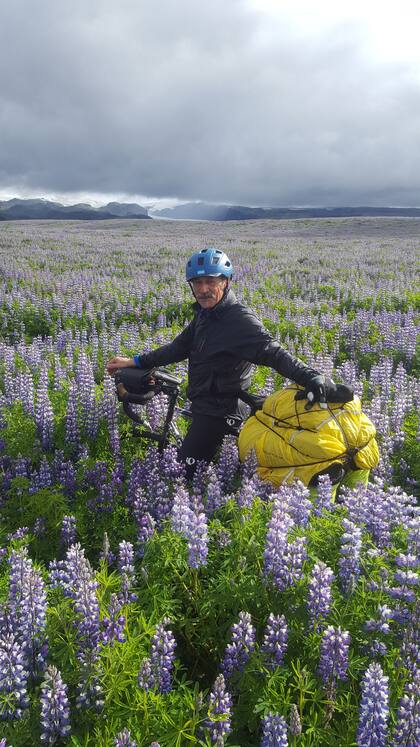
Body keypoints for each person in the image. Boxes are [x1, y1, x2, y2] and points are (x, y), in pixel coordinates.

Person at [107, 247, 326, 478]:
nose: (203, 289)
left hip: (220, 412)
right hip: (204, 403)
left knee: (183, 474)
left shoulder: (238, 319)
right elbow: (178, 348)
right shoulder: (205, 315)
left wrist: (310, 377)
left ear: (226, 281)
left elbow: (273, 352)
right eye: (197, 282)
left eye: (210, 281)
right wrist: (135, 361)